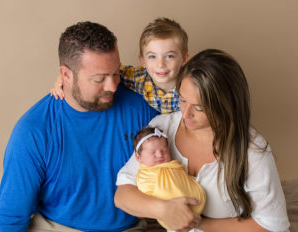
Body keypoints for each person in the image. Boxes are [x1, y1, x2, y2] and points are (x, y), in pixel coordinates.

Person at [0, 21, 159, 232]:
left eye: (115, 73)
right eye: (99, 79)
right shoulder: (33, 131)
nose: (112, 86)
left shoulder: (140, 109)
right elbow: (10, 219)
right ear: (66, 75)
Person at [115, 49, 290, 231]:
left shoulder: (252, 149)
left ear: (225, 106)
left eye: (198, 107)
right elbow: (122, 195)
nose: (186, 113)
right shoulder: (161, 129)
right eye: (182, 99)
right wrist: (163, 210)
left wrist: (197, 223)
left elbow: (271, 224)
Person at [51, 17, 189, 113]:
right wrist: (64, 78)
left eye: (169, 56)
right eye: (152, 56)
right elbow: (102, 70)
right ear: (143, 61)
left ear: (185, 59)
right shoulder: (138, 78)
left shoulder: (194, 84)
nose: (161, 64)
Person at [133, 127, 206, 230]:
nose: (160, 155)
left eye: (164, 150)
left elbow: (183, 177)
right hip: (173, 219)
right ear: (138, 157)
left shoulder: (172, 166)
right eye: (153, 152)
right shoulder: (145, 176)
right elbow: (146, 194)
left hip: (197, 209)